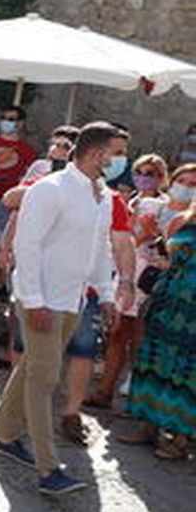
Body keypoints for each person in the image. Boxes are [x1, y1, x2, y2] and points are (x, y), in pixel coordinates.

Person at [0, 122, 130, 495]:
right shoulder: (50, 190)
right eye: (117, 152)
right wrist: (34, 301)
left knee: (32, 369)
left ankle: (3, 436)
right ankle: (47, 468)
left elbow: (99, 250)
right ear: (96, 153)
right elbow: (29, 245)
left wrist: (105, 293)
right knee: (44, 377)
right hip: (42, 300)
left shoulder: (102, 196)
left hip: (73, 301)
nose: (121, 160)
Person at [121, 173, 196, 459]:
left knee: (187, 372)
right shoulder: (182, 221)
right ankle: (147, 426)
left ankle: (180, 438)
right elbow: (168, 254)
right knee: (154, 360)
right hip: (169, 299)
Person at [89, 155, 171, 409]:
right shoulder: (132, 200)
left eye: (152, 173)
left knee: (137, 338)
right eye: (140, 171)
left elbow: (142, 238)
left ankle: (135, 399)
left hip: (144, 276)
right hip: (124, 272)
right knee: (116, 334)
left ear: (161, 178)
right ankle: (105, 391)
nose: (145, 177)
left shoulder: (163, 205)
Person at [0, 105, 36, 233]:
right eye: (3, 118)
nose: (5, 122)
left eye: (10, 119)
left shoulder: (27, 150)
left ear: (20, 123)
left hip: (7, 201)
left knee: (1, 239)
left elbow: (29, 175)